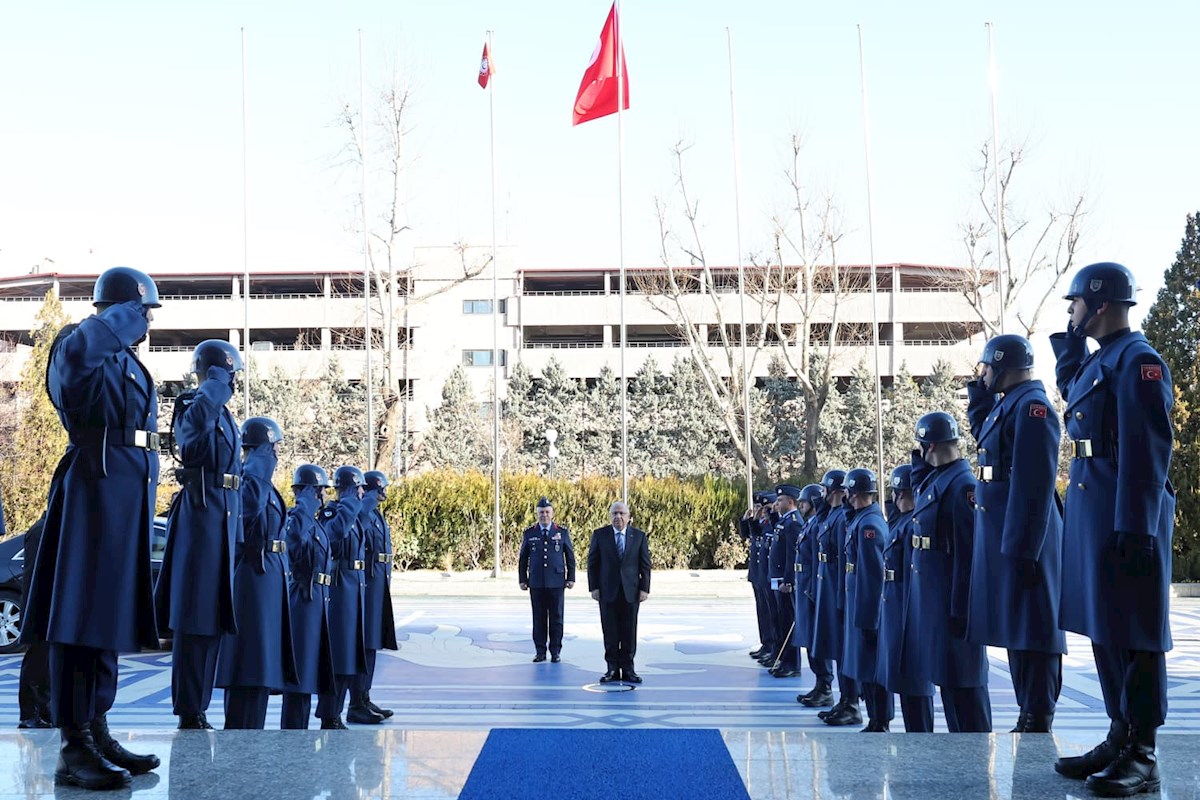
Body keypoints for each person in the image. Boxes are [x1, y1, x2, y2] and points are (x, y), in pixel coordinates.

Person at [21, 266, 162, 789]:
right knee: (80, 619)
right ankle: (72, 744)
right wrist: (114, 323)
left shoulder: (125, 358)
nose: (146, 322)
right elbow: (75, 371)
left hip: (121, 500)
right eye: (141, 311)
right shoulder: (78, 342)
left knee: (106, 619)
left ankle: (98, 729)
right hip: (91, 494)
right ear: (120, 309)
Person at [1050, 262, 1174, 796]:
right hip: (1098, 512)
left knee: (1137, 633)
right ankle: (1118, 735)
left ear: (1099, 304)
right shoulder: (1106, 360)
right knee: (1107, 627)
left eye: (1074, 304)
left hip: (1126, 517)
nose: (1071, 312)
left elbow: (1147, 452)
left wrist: (1137, 527)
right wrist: (1069, 345)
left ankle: (1142, 752)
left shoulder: (1138, 362)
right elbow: (1074, 393)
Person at [966, 334, 1066, 733]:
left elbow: (1034, 484)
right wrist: (978, 392)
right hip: (1006, 532)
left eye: (986, 368)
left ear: (1004, 365)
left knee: (1036, 628)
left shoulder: (1033, 408)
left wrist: (1023, 549)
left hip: (1027, 535)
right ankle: (1028, 711)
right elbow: (985, 435)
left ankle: (1038, 714)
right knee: (1018, 625)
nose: (983, 373)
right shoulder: (1009, 405)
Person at [155, 338, 244, 730]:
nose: (234, 382)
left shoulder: (223, 415)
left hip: (221, 520)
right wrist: (208, 389)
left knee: (214, 618)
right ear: (215, 373)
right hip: (200, 518)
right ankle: (189, 708)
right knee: (194, 619)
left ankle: (199, 705)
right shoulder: (195, 405)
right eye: (229, 375)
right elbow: (190, 448)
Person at [904, 411, 992, 733]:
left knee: (965, 691)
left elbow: (969, 555)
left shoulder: (962, 486)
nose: (921, 454)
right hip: (938, 603)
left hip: (954, 605)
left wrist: (961, 608)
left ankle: (974, 763)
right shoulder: (939, 480)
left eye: (923, 446)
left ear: (934, 445)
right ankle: (962, 764)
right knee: (950, 687)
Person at [216, 416, 297, 729]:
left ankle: (251, 732)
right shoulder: (250, 476)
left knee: (260, 666)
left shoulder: (257, 478)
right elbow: (248, 509)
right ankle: (243, 734)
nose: (277, 453)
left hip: (265, 581)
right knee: (250, 664)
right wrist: (260, 464)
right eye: (273, 447)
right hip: (252, 580)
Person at [877, 465, 935, 732]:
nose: (897, 498)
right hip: (895, 605)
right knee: (903, 680)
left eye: (901, 493)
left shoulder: (914, 525)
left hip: (908, 607)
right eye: (895, 494)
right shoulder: (900, 521)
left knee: (915, 682)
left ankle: (920, 737)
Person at [280, 464, 337, 730]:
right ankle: (293, 732)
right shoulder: (297, 518)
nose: (321, 496)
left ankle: (300, 729)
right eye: (317, 491)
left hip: (317, 602)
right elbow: (294, 545)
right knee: (300, 676)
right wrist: (302, 505)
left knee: (310, 672)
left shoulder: (315, 522)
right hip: (303, 602)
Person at [315, 466, 370, 728]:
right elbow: (331, 539)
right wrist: (348, 505)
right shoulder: (332, 513)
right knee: (338, 655)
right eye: (358, 487)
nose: (362, 492)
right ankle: (329, 714)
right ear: (348, 488)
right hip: (338, 591)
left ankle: (338, 711)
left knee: (350, 654)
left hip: (353, 589)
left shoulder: (354, 513)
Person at [840, 468, 890, 731]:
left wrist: (868, 617)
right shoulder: (862, 518)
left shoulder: (869, 525)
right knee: (865, 664)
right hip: (858, 603)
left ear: (854, 493)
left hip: (867, 608)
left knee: (873, 667)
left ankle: (880, 720)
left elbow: (872, 575)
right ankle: (875, 718)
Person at [810, 469, 860, 726]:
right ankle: (843, 699)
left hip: (837, 589)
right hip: (827, 587)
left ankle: (851, 702)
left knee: (843, 649)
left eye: (825, 490)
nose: (821, 494)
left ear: (836, 491)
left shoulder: (842, 517)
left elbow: (843, 559)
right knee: (836, 647)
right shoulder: (832, 515)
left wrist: (841, 596)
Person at [350, 470, 398, 721]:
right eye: (381, 488)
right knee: (364, 643)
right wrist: (365, 506)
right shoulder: (363, 513)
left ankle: (365, 698)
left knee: (372, 644)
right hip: (366, 585)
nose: (385, 492)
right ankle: (356, 704)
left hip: (377, 585)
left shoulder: (377, 515)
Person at [587, 501, 651, 684]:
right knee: (610, 632)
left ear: (629, 516)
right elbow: (593, 563)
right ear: (610, 516)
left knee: (629, 632)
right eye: (615, 513)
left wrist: (644, 588)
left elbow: (645, 565)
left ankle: (629, 670)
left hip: (631, 592)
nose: (618, 517)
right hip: (607, 592)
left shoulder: (638, 536)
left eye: (622, 513)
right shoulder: (600, 535)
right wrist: (594, 588)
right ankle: (612, 669)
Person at [518, 497, 576, 663]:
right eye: (541, 512)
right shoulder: (529, 533)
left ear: (552, 513)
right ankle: (540, 652)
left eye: (547, 512)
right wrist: (523, 579)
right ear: (537, 514)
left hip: (557, 582)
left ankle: (556, 651)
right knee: (539, 618)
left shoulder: (562, 532)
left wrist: (571, 577)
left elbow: (569, 556)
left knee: (557, 618)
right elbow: (523, 558)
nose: (544, 515)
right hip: (536, 582)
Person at [793, 484, 834, 707]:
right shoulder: (810, 524)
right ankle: (819, 685)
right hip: (804, 586)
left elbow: (819, 558)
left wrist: (813, 588)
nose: (801, 505)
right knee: (809, 639)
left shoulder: (819, 524)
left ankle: (825, 685)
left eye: (804, 501)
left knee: (818, 640)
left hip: (811, 588)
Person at [17, 512, 52, 729]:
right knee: (38, 660)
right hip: (40, 604)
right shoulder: (43, 530)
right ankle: (30, 713)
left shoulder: (43, 527)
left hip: (41, 603)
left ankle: (43, 711)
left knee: (44, 660)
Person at [767, 486, 801, 678]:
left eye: (780, 501)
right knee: (781, 620)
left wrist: (789, 580)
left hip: (785, 581)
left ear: (790, 502)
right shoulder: (784, 521)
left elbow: (792, 554)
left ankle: (791, 663)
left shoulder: (793, 523)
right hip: (778, 579)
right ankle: (783, 659)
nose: (776, 504)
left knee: (788, 621)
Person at [741, 492, 775, 662]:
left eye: (761, 507)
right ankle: (766, 643)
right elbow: (746, 535)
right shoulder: (761, 523)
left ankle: (772, 646)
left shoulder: (772, 524)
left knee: (771, 613)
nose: (758, 510)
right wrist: (747, 520)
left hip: (767, 573)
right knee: (762, 611)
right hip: (758, 572)